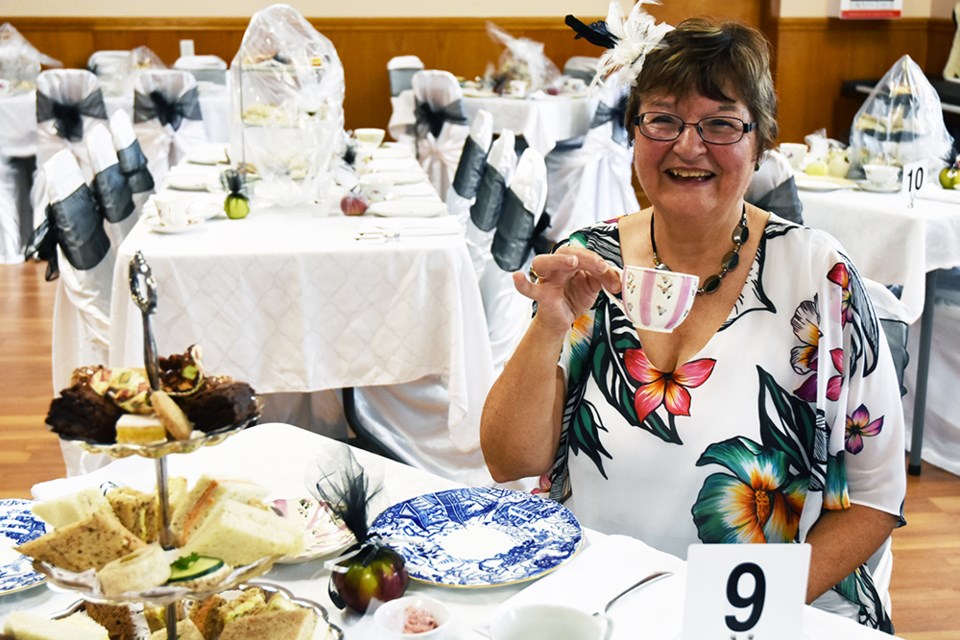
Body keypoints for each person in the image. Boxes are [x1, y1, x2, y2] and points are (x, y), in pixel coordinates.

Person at [480, 13, 906, 632]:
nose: (687, 145)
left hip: (764, 615)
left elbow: (875, 497)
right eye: (663, 119)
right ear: (633, 132)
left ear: (759, 144)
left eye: (721, 124)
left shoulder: (819, 276)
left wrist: (733, 615)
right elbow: (507, 460)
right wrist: (550, 324)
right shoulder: (586, 262)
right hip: (599, 605)